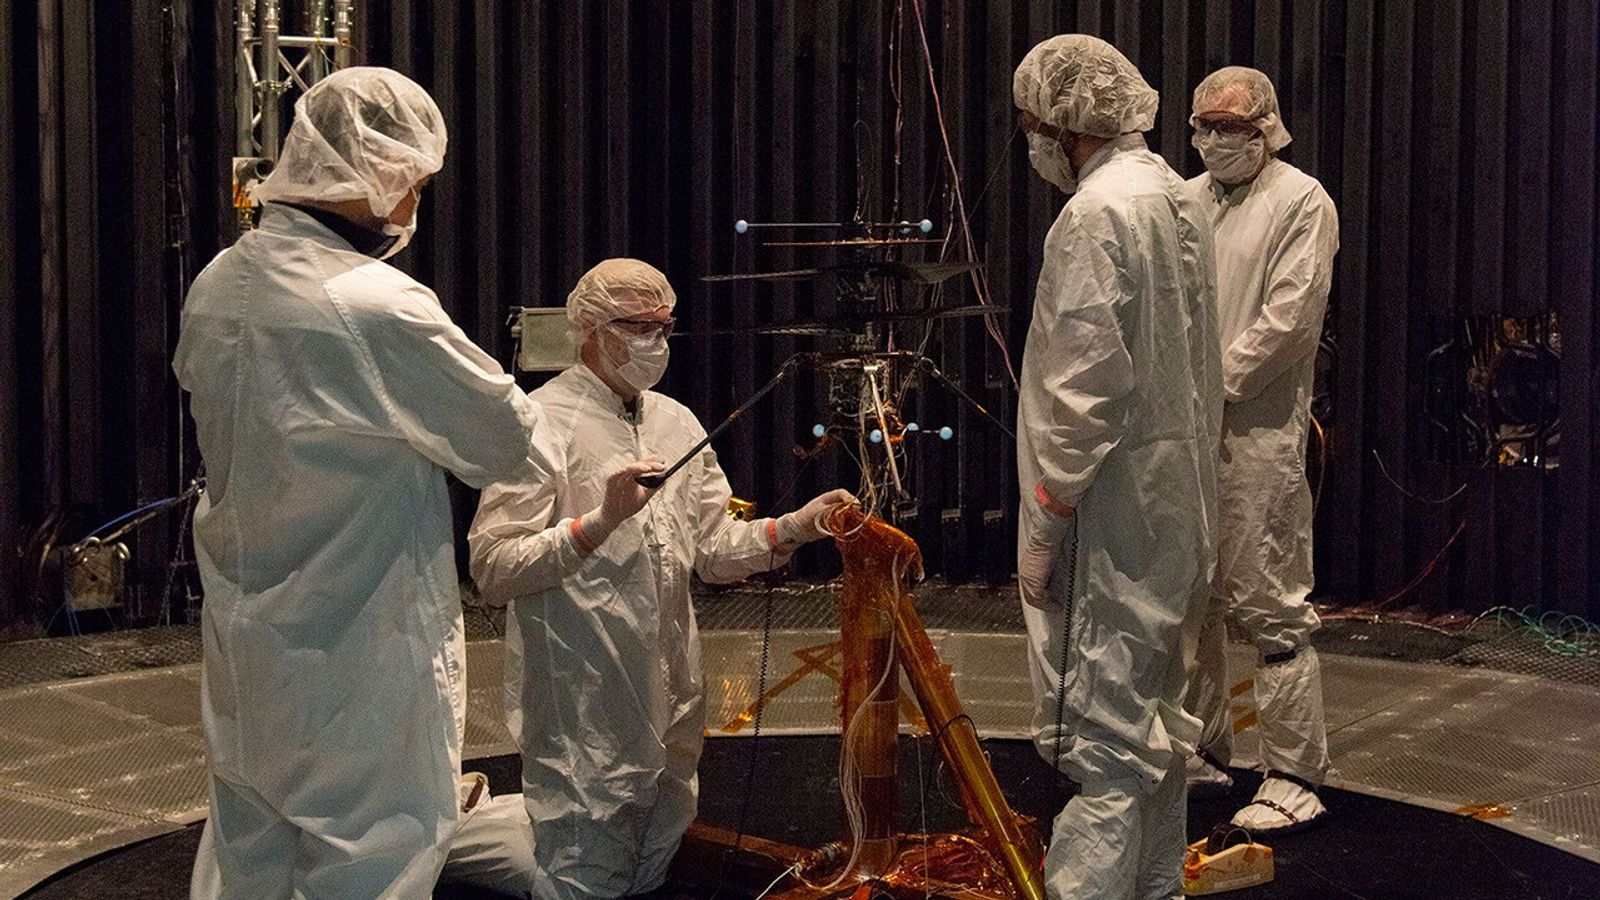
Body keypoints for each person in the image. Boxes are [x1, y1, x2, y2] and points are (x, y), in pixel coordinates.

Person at [175, 67, 540, 898]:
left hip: (251, 641)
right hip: (363, 648)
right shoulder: (378, 305)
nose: (414, 208)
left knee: (248, 856)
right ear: (386, 175)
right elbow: (510, 444)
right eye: (416, 185)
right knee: (373, 857)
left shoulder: (216, 285)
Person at [469, 258, 855, 898]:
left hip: (673, 679)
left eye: (664, 326)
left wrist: (794, 528)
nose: (655, 341)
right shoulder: (542, 425)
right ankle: (459, 836)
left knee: (655, 847)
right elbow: (493, 568)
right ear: (587, 328)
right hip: (581, 691)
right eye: (637, 326)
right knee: (586, 865)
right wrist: (599, 520)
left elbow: (711, 549)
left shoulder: (677, 422)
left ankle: (477, 828)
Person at [1012, 34, 1223, 899]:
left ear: (1066, 123)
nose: (1030, 142)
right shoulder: (1175, 195)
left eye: (1031, 124)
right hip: (1175, 505)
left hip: (1110, 512)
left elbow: (1082, 390)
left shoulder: (1097, 216)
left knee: (1100, 736)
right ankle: (1155, 887)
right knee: (1151, 724)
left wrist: (1045, 517)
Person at [1182, 66, 1339, 835]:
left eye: (1231, 128)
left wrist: (1209, 385)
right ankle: (1203, 748)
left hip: (1256, 435)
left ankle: (1294, 772)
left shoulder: (1301, 201)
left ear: (1267, 128)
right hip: (1182, 434)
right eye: (1204, 126)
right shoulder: (1183, 202)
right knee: (1191, 597)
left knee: (1269, 602)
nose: (1215, 140)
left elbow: (1289, 319)